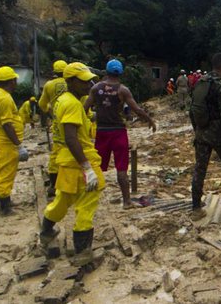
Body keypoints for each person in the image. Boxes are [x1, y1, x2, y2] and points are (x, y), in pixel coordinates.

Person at [40, 63, 105, 266]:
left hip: (66, 161)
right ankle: (83, 251)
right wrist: (87, 168)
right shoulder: (72, 104)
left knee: (63, 198)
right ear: (70, 81)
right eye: (84, 81)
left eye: (90, 80)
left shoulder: (62, 100)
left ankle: (47, 230)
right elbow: (71, 137)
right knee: (87, 202)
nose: (89, 84)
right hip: (79, 160)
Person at [85, 60, 156, 209]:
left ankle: (86, 199)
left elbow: (83, 108)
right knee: (121, 169)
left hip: (102, 132)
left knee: (96, 167)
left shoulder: (96, 88)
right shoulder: (123, 90)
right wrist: (150, 120)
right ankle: (126, 202)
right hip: (118, 132)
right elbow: (136, 109)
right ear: (121, 72)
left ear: (106, 71)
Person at [188, 53, 221, 220]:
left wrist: (197, 129)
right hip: (218, 134)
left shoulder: (199, 83)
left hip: (202, 133)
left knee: (200, 169)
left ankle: (196, 208)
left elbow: (192, 110)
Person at [0, 66, 27, 216]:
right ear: (12, 81)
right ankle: (4, 205)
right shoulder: (4, 98)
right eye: (15, 80)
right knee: (6, 172)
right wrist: (18, 144)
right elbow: (7, 124)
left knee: (4, 170)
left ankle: (4, 197)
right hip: (5, 140)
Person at [39, 60, 68, 197]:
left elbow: (42, 104)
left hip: (58, 123)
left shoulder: (49, 85)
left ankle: (54, 185)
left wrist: (50, 115)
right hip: (74, 120)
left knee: (56, 153)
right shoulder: (73, 83)